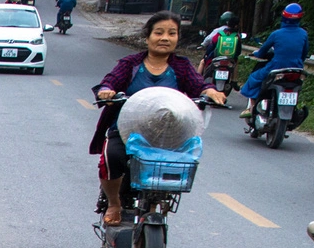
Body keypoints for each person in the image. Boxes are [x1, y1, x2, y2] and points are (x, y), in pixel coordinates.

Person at [91, 12, 227, 226]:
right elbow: (110, 81)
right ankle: (114, 203)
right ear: (147, 37)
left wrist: (210, 91)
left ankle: (156, 202)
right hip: (128, 130)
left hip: (169, 134)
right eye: (159, 32)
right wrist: (106, 91)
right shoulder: (131, 64)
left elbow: (199, 84)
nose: (165, 38)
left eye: (171, 33)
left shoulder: (181, 67)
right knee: (112, 156)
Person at [237, 3, 309, 112]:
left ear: (284, 16)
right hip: (296, 69)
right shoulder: (303, 34)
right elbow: (304, 53)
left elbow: (262, 52)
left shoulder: (276, 34)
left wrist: (257, 54)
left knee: (254, 78)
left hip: (276, 67)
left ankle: (251, 108)